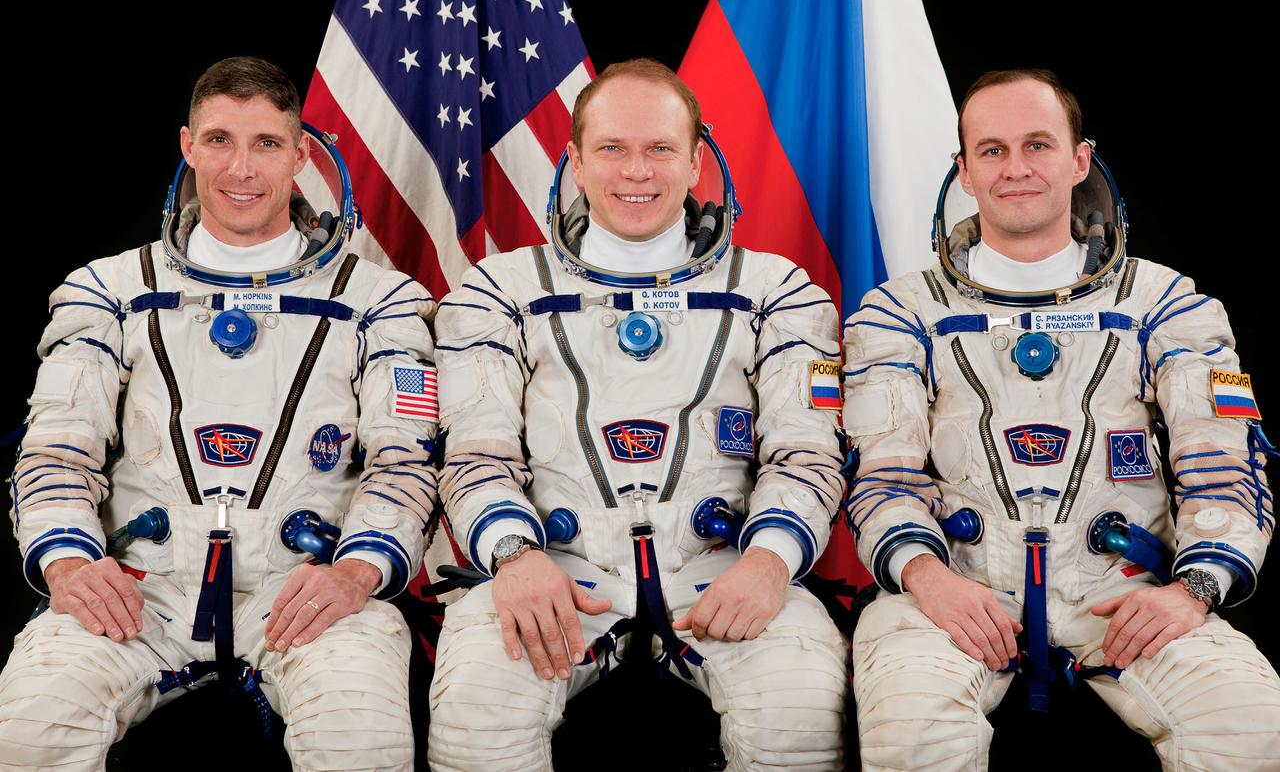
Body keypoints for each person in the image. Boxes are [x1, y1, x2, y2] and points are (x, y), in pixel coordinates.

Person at [0, 57, 438, 771]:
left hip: (308, 587)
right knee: (27, 732)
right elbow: (55, 451)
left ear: (302, 154)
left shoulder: (381, 300)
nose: (242, 167)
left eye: (267, 143)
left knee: (363, 743)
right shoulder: (109, 289)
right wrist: (72, 563)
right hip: (142, 587)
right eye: (220, 140)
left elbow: (407, 460)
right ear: (187, 145)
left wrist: (355, 572)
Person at [843, 68, 1280, 769]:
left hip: (1125, 595)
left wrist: (1193, 589)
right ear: (964, 170)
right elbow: (882, 477)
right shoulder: (901, 311)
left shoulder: (1166, 303)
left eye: (1038, 145)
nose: (1015, 168)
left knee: (1248, 715)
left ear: (1080, 159)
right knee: (909, 723)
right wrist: (926, 575)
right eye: (991, 150)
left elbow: (1222, 464)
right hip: (955, 592)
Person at [426, 59, 849, 770]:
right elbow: (476, 454)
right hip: (554, 568)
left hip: (727, 568)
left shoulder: (778, 290)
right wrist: (513, 553)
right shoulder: (499, 289)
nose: (637, 172)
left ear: (695, 162)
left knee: (798, 707)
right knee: (476, 708)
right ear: (577, 164)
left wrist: (770, 560)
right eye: (613, 149)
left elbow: (806, 453)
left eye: (659, 149)